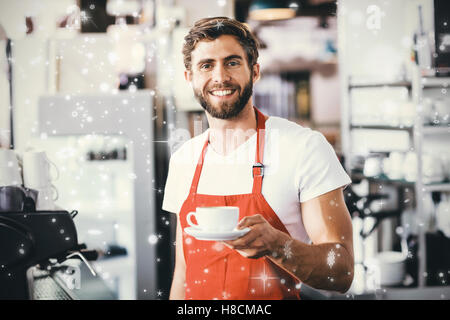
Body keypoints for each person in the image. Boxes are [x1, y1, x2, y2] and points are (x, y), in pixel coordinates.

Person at [163, 17, 354, 300]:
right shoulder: (183, 160)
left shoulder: (303, 148)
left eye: (232, 62)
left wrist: (279, 246)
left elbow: (341, 271)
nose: (220, 77)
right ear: (189, 77)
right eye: (206, 65)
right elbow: (183, 273)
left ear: (254, 72)